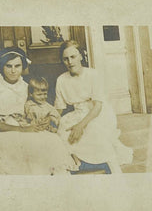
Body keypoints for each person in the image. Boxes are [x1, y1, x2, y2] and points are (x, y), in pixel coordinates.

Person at [0, 47, 76, 175]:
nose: (13, 71)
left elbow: (36, 108)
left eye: (17, 66)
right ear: (2, 66)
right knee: (31, 145)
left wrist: (44, 120)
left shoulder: (25, 86)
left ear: (23, 66)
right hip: (3, 130)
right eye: (8, 66)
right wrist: (22, 129)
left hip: (25, 125)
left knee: (52, 140)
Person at [55, 40, 133, 173]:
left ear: (81, 56)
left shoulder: (93, 75)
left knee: (93, 130)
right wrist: (51, 119)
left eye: (73, 57)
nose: (70, 62)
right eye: (65, 59)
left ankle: (110, 165)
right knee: (62, 132)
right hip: (77, 114)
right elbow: (59, 108)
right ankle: (75, 161)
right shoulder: (61, 79)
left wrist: (80, 125)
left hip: (98, 113)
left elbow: (98, 107)